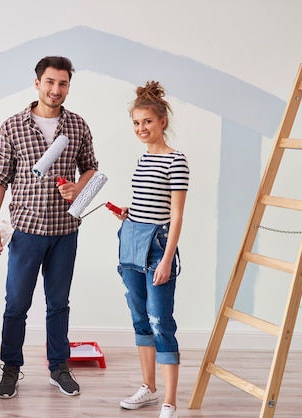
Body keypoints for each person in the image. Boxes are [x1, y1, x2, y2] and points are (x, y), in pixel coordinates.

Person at [0, 56, 98, 399]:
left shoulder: (77, 126)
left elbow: (91, 169)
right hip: (26, 230)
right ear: (37, 83)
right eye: (50, 82)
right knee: (16, 304)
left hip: (65, 231)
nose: (56, 89)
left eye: (63, 84)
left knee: (58, 303)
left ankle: (58, 367)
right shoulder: (13, 126)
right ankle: (11, 368)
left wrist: (79, 188)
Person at [112, 81, 189, 418]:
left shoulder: (177, 162)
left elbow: (176, 215)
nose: (141, 128)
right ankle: (149, 389)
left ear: (162, 123)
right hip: (131, 240)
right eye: (136, 123)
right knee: (140, 320)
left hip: (158, 247)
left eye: (147, 122)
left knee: (161, 322)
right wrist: (129, 212)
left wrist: (167, 259)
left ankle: (170, 401)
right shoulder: (143, 160)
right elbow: (148, 204)